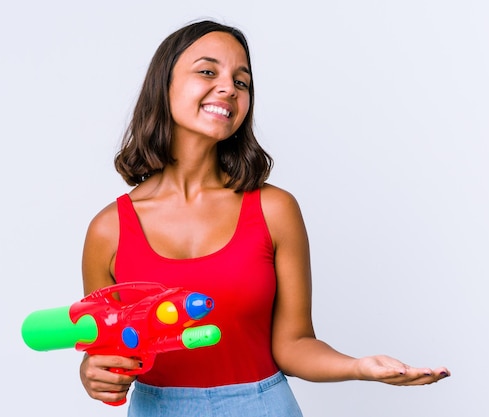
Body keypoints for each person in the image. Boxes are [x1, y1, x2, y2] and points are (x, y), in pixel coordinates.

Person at [78, 20, 450, 416]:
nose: (228, 88)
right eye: (208, 71)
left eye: (242, 82)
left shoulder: (274, 210)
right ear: (162, 86)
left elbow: (293, 345)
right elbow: (108, 354)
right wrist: (92, 373)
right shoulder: (109, 230)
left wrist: (359, 367)